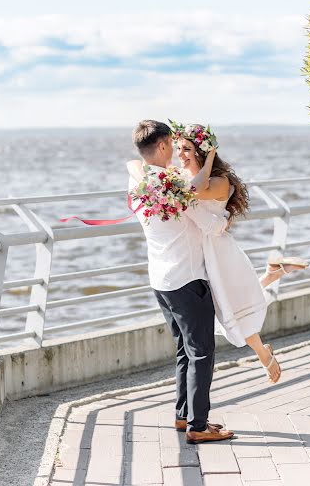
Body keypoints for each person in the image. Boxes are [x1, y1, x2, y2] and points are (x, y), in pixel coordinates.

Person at [127, 121, 308, 385]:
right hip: (199, 255)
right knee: (231, 310)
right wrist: (152, 179)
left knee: (232, 311)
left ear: (204, 151)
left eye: (188, 149)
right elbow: (133, 164)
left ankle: (259, 352)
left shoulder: (218, 182)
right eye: (178, 148)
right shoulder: (177, 176)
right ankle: (271, 278)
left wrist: (207, 157)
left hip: (218, 252)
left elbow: (195, 192)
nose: (181, 154)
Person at [128, 119, 235, 444]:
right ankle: (198, 426)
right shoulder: (169, 185)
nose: (176, 151)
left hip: (161, 280)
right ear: (162, 146)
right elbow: (210, 226)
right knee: (202, 352)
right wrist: (226, 216)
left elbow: (132, 164)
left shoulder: (139, 181)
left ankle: (184, 415)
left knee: (183, 350)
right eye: (173, 145)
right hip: (187, 280)